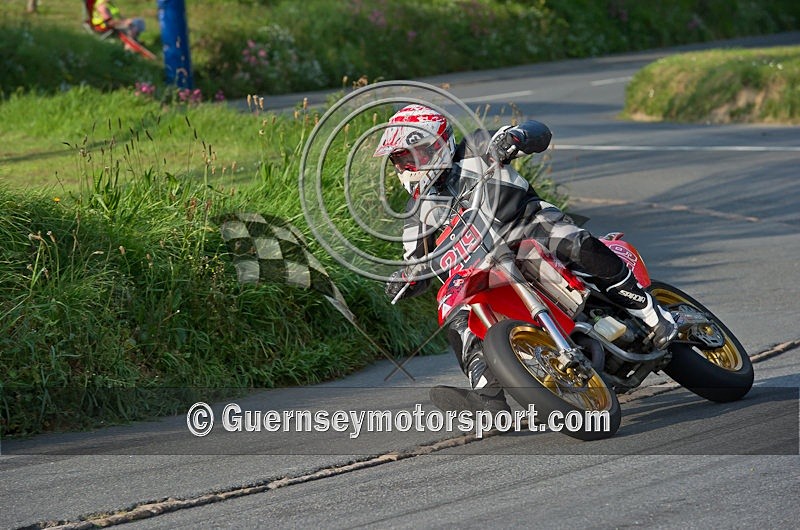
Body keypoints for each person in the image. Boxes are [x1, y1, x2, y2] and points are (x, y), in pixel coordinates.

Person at [374, 104, 677, 414]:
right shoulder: (417, 214)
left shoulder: (477, 147)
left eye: (413, 156)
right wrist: (406, 279)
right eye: (400, 160)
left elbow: (538, 131)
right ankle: (488, 398)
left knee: (569, 239)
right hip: (483, 268)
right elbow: (416, 264)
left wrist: (517, 137)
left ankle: (651, 313)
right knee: (455, 311)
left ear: (438, 144)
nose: (408, 166)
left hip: (528, 227)